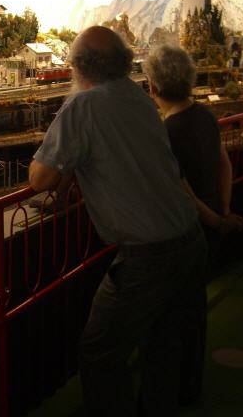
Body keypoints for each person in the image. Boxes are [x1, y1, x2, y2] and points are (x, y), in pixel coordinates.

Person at [29, 26, 207, 417]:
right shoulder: (138, 96)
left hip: (147, 256)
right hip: (188, 238)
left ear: (78, 67)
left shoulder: (82, 106)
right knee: (162, 343)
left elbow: (41, 178)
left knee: (99, 351)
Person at [143, 45, 243, 404]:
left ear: (153, 87)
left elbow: (182, 193)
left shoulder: (165, 133)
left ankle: (173, 393)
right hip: (212, 228)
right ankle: (192, 386)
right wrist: (225, 211)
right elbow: (224, 164)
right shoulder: (205, 116)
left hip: (187, 233)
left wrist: (216, 221)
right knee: (195, 310)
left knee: (171, 319)